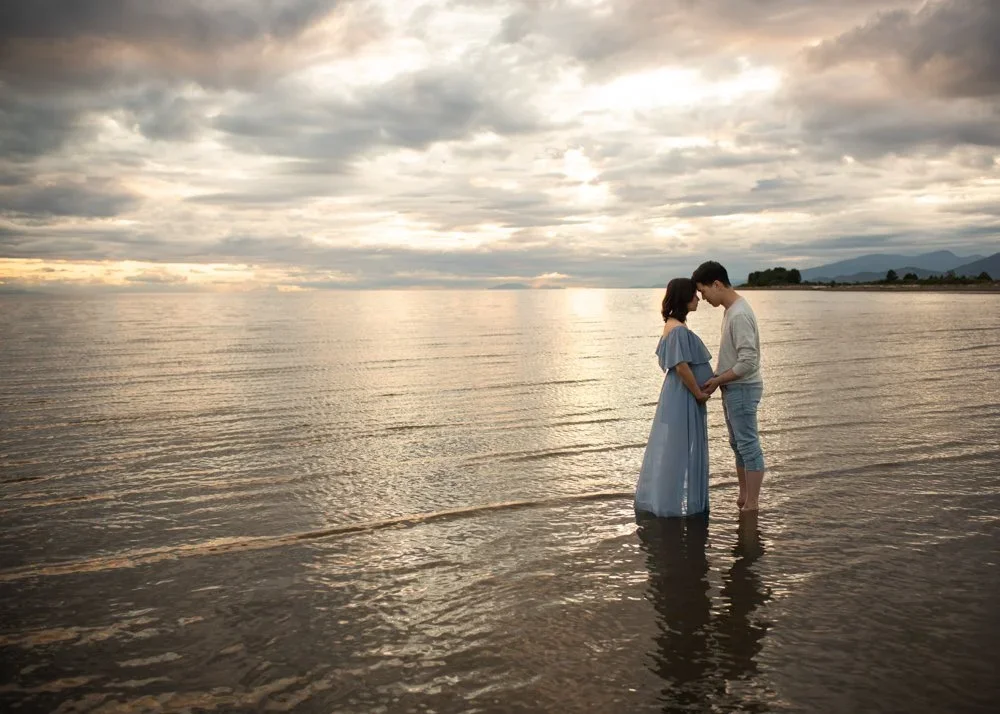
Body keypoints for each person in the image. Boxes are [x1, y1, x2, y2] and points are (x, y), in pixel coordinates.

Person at [635, 278, 714, 518]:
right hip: (684, 395)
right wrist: (699, 393)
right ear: (683, 297)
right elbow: (681, 367)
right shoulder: (678, 329)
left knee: (674, 448)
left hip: (678, 393)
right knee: (678, 450)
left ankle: (670, 501)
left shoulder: (673, 325)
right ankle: (673, 506)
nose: (698, 298)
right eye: (693, 295)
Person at [692, 261, 765, 512]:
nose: (702, 298)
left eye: (703, 291)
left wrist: (718, 380)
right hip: (733, 387)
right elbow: (734, 357)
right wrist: (717, 379)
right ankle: (744, 495)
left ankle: (752, 502)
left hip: (743, 387)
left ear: (717, 284)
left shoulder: (740, 314)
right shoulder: (731, 310)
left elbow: (748, 361)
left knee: (748, 444)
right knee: (737, 444)